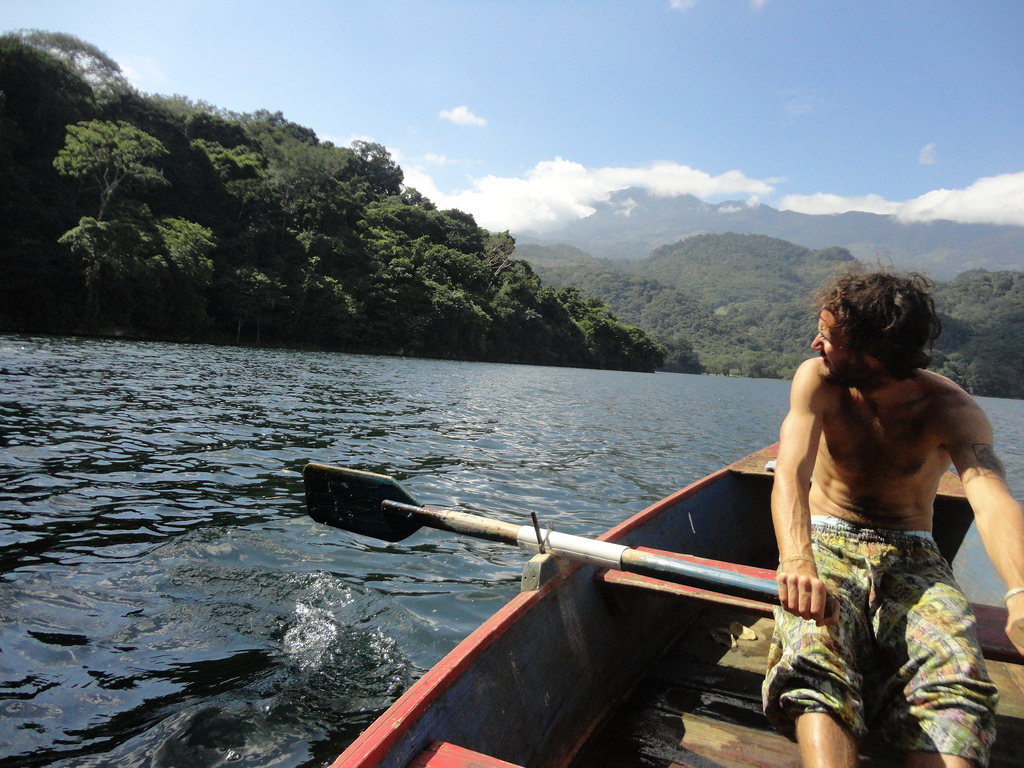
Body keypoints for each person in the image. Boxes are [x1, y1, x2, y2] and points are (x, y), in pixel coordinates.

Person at [762, 267, 1024, 768]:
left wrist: (1019, 591)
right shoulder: (817, 379)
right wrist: (796, 559)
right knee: (814, 648)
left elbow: (990, 497)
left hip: (913, 553)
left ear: (874, 354)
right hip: (824, 537)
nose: (816, 342)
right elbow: (790, 474)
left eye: (829, 336)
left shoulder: (951, 409)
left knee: (953, 670)